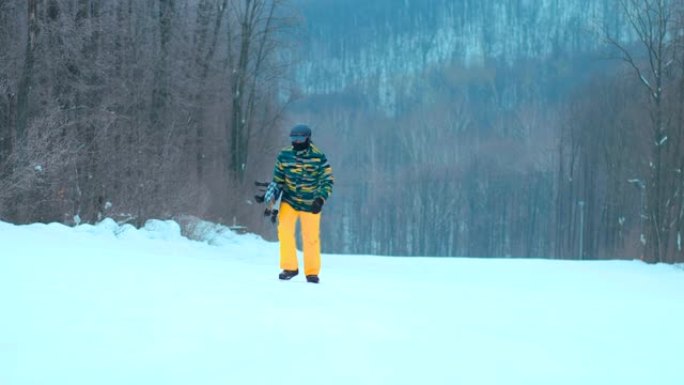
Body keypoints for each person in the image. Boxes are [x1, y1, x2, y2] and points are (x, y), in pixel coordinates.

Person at [268, 124, 333, 283]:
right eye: (293, 138)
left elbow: (327, 180)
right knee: (284, 231)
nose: (296, 142)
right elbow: (278, 180)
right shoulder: (284, 155)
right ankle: (290, 267)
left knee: (310, 237)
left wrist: (320, 198)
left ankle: (312, 272)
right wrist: (271, 201)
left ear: (308, 139)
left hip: (311, 202)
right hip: (289, 200)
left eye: (300, 138)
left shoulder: (318, 156)